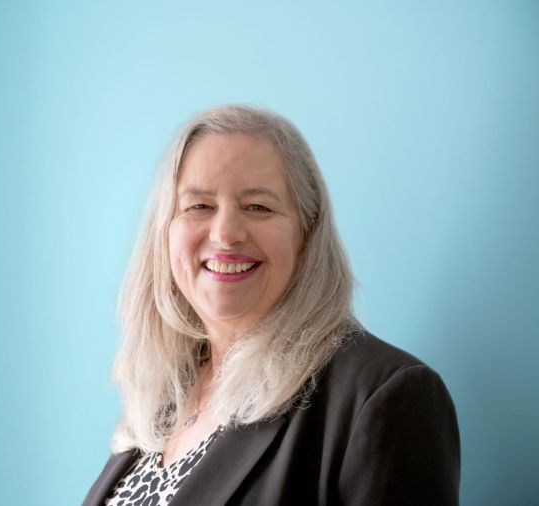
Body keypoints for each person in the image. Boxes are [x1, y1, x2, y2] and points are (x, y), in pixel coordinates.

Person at [83, 105, 460, 505]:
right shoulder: (163, 400)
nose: (226, 234)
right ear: (165, 233)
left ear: (306, 234)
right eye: (199, 206)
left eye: (258, 206)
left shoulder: (386, 397)